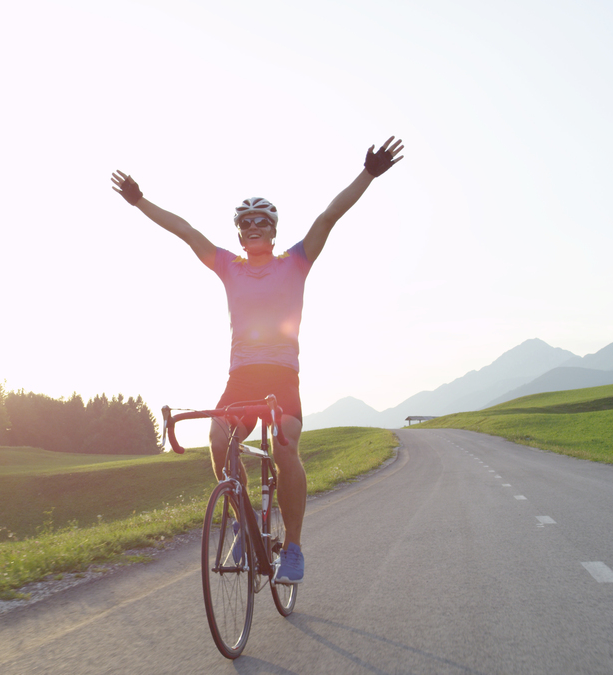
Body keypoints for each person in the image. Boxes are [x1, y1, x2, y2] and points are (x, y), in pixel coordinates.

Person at [110, 137, 404, 583]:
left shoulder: (295, 263)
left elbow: (328, 217)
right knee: (216, 439)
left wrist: (368, 173)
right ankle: (246, 524)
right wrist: (139, 202)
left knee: (285, 444)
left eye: (261, 222)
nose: (252, 227)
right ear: (239, 231)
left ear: (272, 229)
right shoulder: (229, 266)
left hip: (282, 376)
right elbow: (186, 231)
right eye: (245, 222)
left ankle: (294, 548)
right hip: (241, 377)